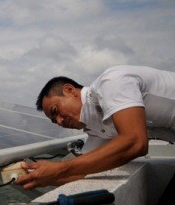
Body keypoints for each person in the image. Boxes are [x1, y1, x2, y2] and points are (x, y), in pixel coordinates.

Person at [16, 65, 175, 190]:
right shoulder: (97, 130)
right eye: (53, 120)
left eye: (56, 111)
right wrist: (36, 176)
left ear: (70, 90)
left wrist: (59, 168)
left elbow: (135, 142)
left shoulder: (112, 83)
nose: (58, 121)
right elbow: (82, 171)